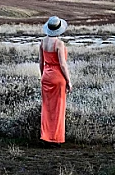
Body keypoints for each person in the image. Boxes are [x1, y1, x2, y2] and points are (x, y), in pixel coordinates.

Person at [38, 15, 71, 145]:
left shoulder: (42, 42)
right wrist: (68, 81)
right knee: (58, 108)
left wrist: (43, 75)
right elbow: (62, 64)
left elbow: (41, 62)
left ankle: (45, 136)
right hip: (58, 77)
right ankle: (56, 138)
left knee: (46, 108)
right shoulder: (59, 44)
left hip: (46, 76)